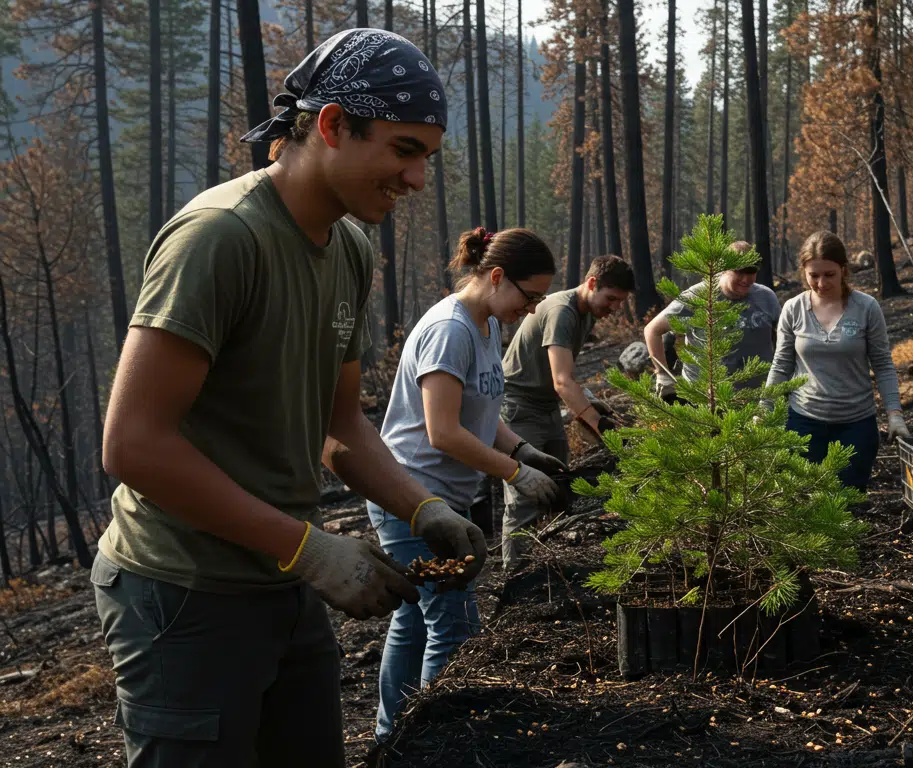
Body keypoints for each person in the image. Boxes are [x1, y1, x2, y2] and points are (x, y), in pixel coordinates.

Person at [91, 30, 488, 766]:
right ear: (332, 125)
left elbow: (339, 427)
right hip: (184, 592)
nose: (417, 179)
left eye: (427, 157)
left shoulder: (349, 250)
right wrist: (310, 551)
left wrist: (422, 508)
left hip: (285, 582)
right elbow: (133, 445)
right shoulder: (220, 238)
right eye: (404, 150)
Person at [370, 227, 566, 742]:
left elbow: (478, 411)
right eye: (529, 296)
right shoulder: (450, 330)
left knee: (416, 622)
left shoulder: (487, 325)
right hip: (410, 495)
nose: (532, 308)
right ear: (497, 276)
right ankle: (438, 742)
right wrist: (515, 474)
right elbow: (443, 431)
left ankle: (393, 738)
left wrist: (521, 449)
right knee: (453, 624)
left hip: (441, 495)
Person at [498, 254, 636, 567]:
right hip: (518, 408)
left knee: (557, 487)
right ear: (591, 283)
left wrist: (592, 403)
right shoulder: (562, 310)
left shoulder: (586, 313)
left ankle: (544, 568)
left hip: (546, 406)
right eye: (611, 299)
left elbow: (564, 377)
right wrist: (600, 426)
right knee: (524, 498)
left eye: (621, 301)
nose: (615, 307)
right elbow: (562, 382)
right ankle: (514, 577)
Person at [764, 231, 909, 492]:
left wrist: (895, 414)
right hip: (804, 422)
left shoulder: (866, 308)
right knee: (805, 499)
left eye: (829, 274)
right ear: (804, 272)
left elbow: (883, 365)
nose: (821, 283)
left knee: (846, 501)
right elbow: (781, 364)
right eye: (814, 275)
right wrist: (764, 409)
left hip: (856, 424)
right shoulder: (793, 309)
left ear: (843, 269)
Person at [642, 240, 781, 400]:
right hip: (704, 398)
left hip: (758, 397)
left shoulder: (766, 297)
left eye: (751, 272)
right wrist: (662, 374)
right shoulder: (699, 297)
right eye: (739, 272)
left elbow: (783, 336)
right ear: (724, 269)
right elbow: (652, 330)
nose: (746, 279)